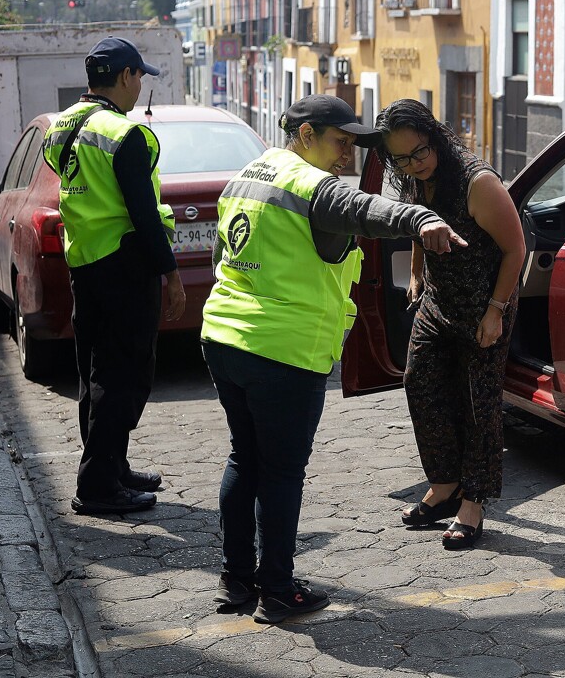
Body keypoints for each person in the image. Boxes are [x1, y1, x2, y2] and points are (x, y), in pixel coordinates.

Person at [201, 94, 467, 624]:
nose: (347, 155)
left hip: (224, 338)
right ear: (305, 135)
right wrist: (419, 217)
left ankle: (237, 580)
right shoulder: (309, 185)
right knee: (280, 472)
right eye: (340, 141)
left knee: (244, 459)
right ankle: (276, 588)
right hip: (282, 349)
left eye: (351, 144)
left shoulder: (248, 175)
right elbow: (364, 211)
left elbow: (220, 255)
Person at [42, 36, 184, 516]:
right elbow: (144, 214)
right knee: (123, 375)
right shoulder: (125, 135)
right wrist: (172, 274)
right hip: (126, 265)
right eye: (139, 75)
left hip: (85, 263)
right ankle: (99, 486)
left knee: (94, 373)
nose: (140, 84)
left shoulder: (62, 127)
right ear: (125, 76)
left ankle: (112, 466)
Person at [375, 98, 526, 550]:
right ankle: (443, 484)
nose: (413, 164)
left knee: (479, 404)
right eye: (400, 159)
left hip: (485, 305)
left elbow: (516, 250)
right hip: (439, 302)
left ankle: (473, 502)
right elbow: (424, 223)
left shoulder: (477, 183)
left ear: (434, 135)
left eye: (419, 152)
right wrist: (418, 272)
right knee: (419, 383)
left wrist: (495, 311)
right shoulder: (420, 177)